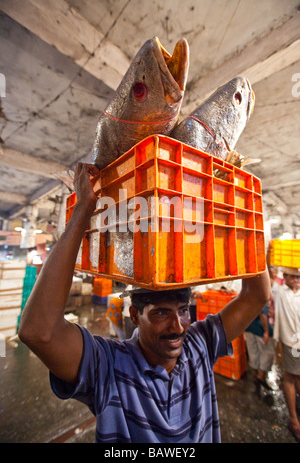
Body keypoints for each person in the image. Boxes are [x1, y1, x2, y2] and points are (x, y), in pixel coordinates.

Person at [18, 163, 271, 444]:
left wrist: (242, 215)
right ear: (135, 315)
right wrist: (82, 212)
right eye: (161, 312)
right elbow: (39, 331)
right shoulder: (109, 366)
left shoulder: (199, 345)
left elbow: (256, 296)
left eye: (183, 310)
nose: (178, 326)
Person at [273, 266, 300, 442]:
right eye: (293, 277)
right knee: (291, 378)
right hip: (291, 344)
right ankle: (293, 419)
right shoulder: (280, 292)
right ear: (285, 277)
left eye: (299, 277)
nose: (297, 280)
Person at [244, 304, 274, 389]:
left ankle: (255, 374)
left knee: (253, 351)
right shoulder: (262, 293)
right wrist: (266, 332)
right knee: (267, 352)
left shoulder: (246, 292)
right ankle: (261, 376)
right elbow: (263, 314)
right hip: (260, 329)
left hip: (249, 327)